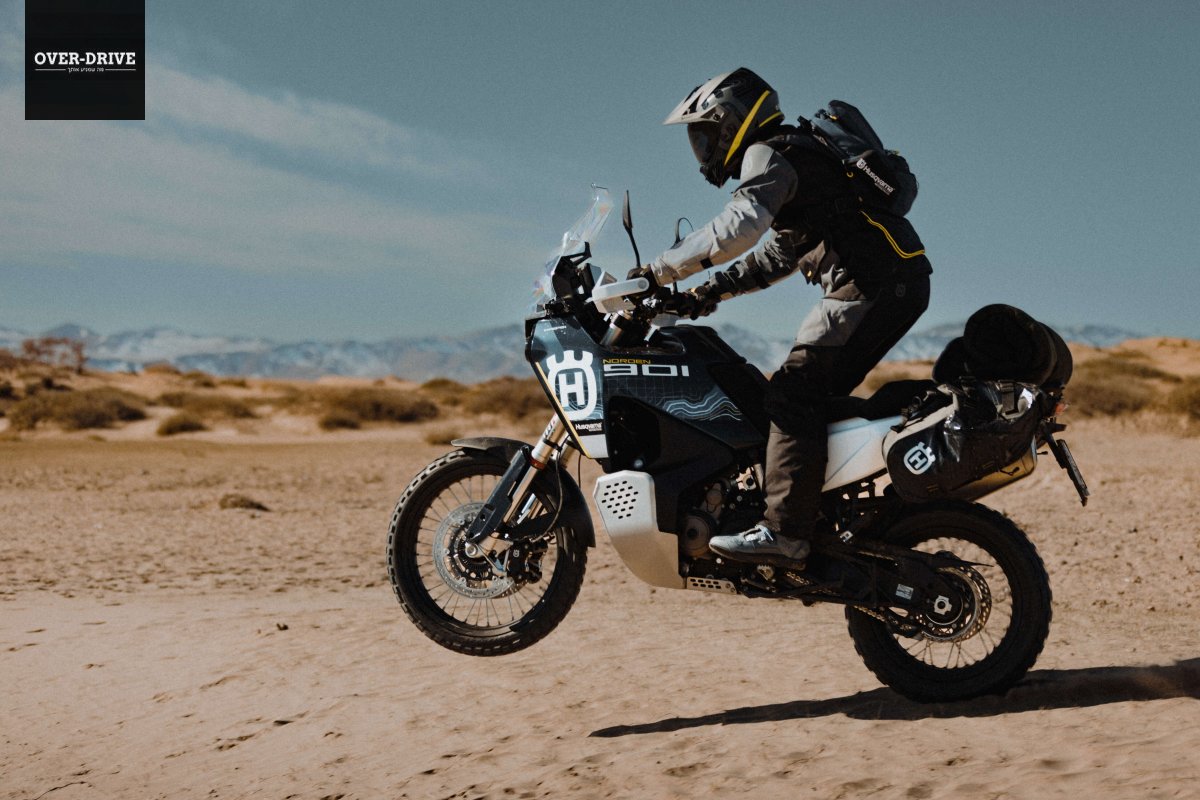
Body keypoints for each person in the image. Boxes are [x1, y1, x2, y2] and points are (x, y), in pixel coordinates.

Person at [633, 68, 932, 567]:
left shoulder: (769, 152)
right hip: (892, 281)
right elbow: (780, 253)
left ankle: (785, 532)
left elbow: (739, 227)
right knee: (812, 396)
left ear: (732, 121)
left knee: (792, 395)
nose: (702, 150)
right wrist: (708, 292)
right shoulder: (799, 154)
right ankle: (821, 512)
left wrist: (658, 271)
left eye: (705, 135)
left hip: (872, 285)